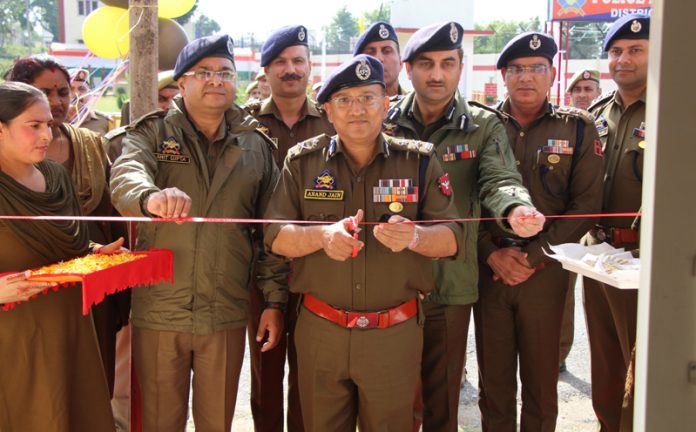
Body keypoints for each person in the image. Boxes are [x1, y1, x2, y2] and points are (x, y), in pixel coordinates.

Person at [264, 54, 462, 432]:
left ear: (386, 104)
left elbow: (453, 238)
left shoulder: (418, 162)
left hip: (393, 335)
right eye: (344, 100)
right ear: (328, 111)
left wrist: (416, 236)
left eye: (368, 98)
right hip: (322, 331)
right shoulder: (303, 163)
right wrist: (321, 237)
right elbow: (276, 236)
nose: (357, 110)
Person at [109, 34, 289, 431]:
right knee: (160, 422)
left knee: (216, 423)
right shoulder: (152, 134)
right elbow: (125, 176)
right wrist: (150, 197)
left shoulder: (255, 147)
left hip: (224, 312)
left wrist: (274, 302)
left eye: (225, 72)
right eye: (203, 72)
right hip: (160, 310)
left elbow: (271, 232)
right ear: (182, 82)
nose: (216, 80)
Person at [383, 21, 544, 431]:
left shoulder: (483, 126)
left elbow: (500, 179)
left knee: (441, 401)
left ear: (461, 67)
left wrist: (516, 209)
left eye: (447, 63)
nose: (437, 74)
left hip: (448, 283)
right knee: (388, 400)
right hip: (386, 281)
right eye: (426, 63)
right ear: (408, 68)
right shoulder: (382, 121)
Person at [475, 32, 604, 431]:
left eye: (536, 69)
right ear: (504, 74)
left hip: (545, 271)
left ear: (551, 75)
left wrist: (532, 258)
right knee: (493, 385)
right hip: (490, 267)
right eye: (517, 69)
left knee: (542, 384)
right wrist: (489, 252)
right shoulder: (480, 126)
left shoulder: (577, 128)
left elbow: (586, 206)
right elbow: (461, 199)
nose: (526, 77)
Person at [8, 55, 130, 398]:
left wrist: (96, 252)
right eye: (34, 125)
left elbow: (83, 235)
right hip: (16, 322)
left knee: (81, 398)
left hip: (76, 306)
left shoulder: (64, 168)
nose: (57, 102)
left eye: (63, 92)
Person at [244, 24, 335, 432]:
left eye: (298, 60)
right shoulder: (243, 125)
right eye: (280, 62)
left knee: (311, 374)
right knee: (265, 373)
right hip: (256, 265)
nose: (290, 69)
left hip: (318, 263)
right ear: (265, 72)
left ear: (311, 67)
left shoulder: (333, 122)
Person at [585, 14, 649, 432]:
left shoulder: (676, 109)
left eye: (635, 51)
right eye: (616, 52)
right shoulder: (595, 114)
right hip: (596, 256)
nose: (623, 60)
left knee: (642, 364)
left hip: (645, 258)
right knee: (605, 361)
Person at [353, 21, 405, 97]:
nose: (379, 59)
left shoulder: (419, 105)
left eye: (387, 51)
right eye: (371, 53)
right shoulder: (349, 107)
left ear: (400, 63)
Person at [68, 68, 115, 134]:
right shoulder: (55, 121)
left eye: (82, 89)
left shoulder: (104, 121)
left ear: (89, 94)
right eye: (71, 89)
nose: (77, 94)